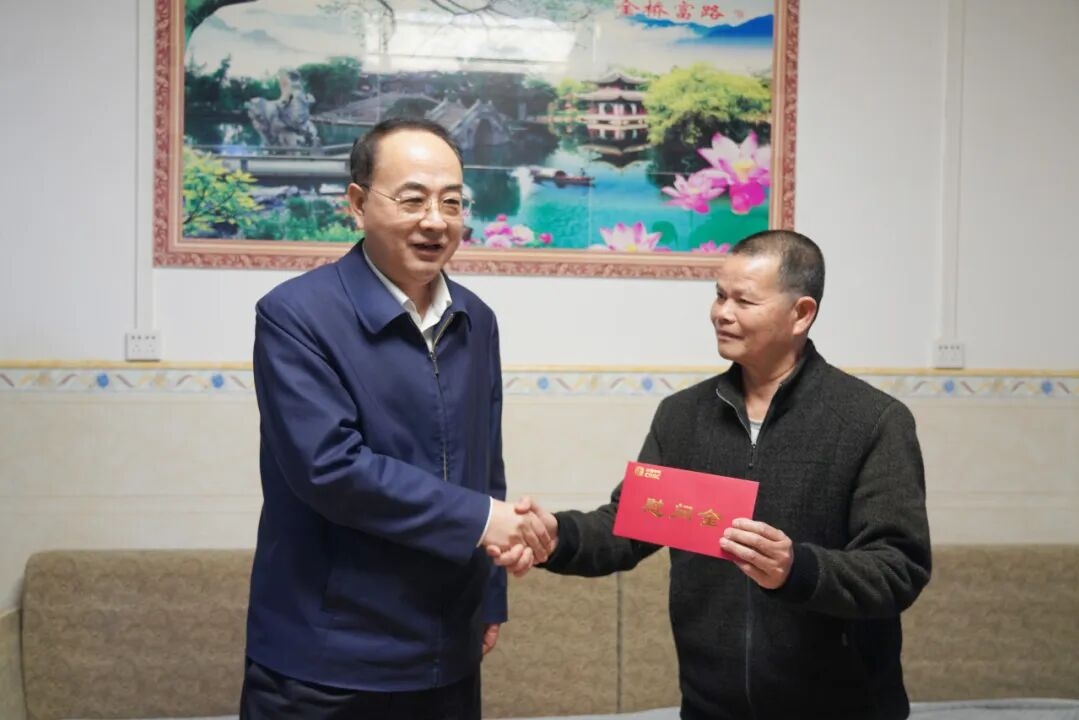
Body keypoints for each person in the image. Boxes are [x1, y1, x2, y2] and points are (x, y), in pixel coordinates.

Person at [493, 230, 932, 720]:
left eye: (744, 300)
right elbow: (628, 526)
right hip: (709, 708)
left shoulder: (873, 421)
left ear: (801, 314)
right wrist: (558, 536)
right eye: (720, 295)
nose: (722, 312)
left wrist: (797, 569)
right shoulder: (683, 417)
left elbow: (898, 568)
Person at [242, 117, 553, 720]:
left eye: (452, 202)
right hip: (325, 656)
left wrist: (490, 595)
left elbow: (485, 466)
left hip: (447, 648)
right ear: (358, 204)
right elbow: (329, 469)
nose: (435, 221)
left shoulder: (477, 318)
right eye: (412, 200)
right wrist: (484, 520)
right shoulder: (295, 315)